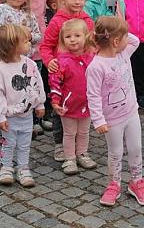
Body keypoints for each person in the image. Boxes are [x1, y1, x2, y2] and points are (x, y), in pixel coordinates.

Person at [87, 17, 144, 207]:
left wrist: (119, 26)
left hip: (131, 113)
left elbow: (135, 40)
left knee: (135, 148)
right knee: (115, 152)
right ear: (116, 41)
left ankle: (136, 181)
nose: (128, 38)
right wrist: (98, 120)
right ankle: (114, 183)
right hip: (112, 119)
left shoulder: (123, 54)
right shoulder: (96, 66)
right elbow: (92, 96)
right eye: (122, 36)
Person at [40, 0, 94, 161]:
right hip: (61, 72)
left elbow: (92, 44)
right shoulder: (57, 22)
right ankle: (59, 144)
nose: (77, 2)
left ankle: (80, 148)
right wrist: (49, 61)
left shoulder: (87, 20)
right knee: (59, 109)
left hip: (81, 73)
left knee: (81, 108)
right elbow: (46, 46)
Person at [0, 24, 46, 187]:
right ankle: (6, 167)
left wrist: (40, 103)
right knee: (8, 143)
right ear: (12, 45)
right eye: (25, 41)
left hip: (27, 115)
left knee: (24, 143)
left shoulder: (30, 64)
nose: (30, 43)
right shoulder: (1, 70)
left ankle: (23, 167)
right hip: (10, 116)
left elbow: (37, 83)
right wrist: (0, 115)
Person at [49, 19, 97, 175]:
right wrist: (55, 102)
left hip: (87, 103)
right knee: (69, 133)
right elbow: (55, 83)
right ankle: (69, 158)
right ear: (63, 40)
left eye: (77, 35)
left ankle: (82, 153)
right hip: (68, 105)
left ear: (86, 37)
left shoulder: (92, 58)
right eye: (68, 36)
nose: (73, 39)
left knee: (84, 132)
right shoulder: (61, 62)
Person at [18, 0, 54, 132]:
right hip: (22, 47)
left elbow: (42, 20)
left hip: (39, 45)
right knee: (25, 84)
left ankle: (39, 117)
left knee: (39, 82)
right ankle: (28, 120)